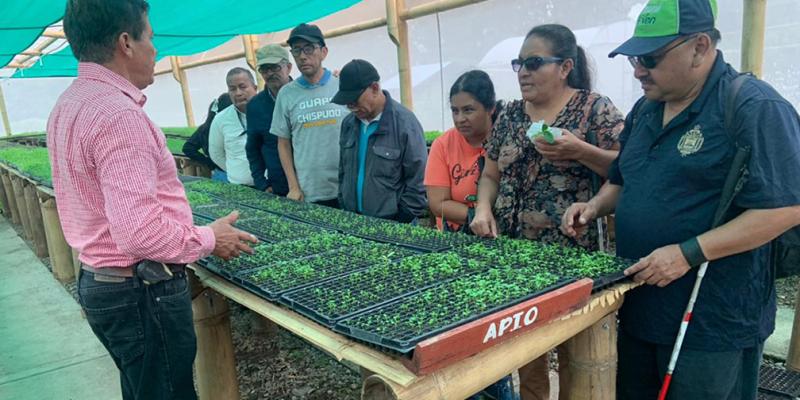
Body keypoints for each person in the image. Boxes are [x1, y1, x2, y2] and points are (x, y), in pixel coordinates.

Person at [560, 1, 800, 398]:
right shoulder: (645, 108)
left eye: (650, 58)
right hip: (642, 305)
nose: (638, 69)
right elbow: (623, 178)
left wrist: (688, 253)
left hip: (710, 320)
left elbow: (785, 207)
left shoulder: (754, 106)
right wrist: (596, 206)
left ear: (700, 47)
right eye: (635, 57)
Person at [48, 1, 257, 399]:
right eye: (151, 38)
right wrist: (210, 238)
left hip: (102, 281)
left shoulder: (68, 104)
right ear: (126, 43)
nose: (156, 50)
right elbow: (138, 233)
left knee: (144, 387)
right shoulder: (118, 116)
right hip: (140, 291)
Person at [470, 24, 625, 400]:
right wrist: (482, 207)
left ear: (565, 67)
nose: (523, 72)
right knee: (526, 352)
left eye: (534, 63)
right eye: (519, 63)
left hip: (571, 257)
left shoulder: (593, 109)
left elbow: (627, 170)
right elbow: (490, 174)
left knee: (576, 355)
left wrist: (582, 151)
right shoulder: (508, 115)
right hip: (511, 257)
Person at [332, 59, 427, 222]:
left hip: (394, 223)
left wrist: (401, 219)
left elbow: (419, 180)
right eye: (347, 103)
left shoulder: (405, 124)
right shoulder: (348, 124)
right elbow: (343, 171)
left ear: (375, 88)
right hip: (354, 220)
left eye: (354, 100)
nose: (351, 106)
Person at [271, 23, 346, 207]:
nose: (303, 56)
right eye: (296, 50)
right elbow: (283, 143)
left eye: (309, 49)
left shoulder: (341, 85)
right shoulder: (287, 94)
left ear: (324, 52)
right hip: (309, 191)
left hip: (346, 187)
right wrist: (293, 186)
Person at [425, 70, 500, 232]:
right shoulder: (443, 145)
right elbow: (438, 204)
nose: (460, 119)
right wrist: (477, 216)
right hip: (456, 234)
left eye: (468, 110)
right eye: (455, 111)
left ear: (491, 108)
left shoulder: (506, 141)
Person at [245, 44, 292, 195]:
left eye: (275, 67)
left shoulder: (303, 95)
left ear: (288, 67)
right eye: (264, 69)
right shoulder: (255, 105)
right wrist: (261, 183)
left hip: (310, 180)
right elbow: (253, 148)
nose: (270, 73)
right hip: (279, 184)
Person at [209, 67, 258, 186]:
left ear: (255, 88)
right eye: (232, 89)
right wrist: (235, 171)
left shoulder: (269, 111)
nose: (238, 93)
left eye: (243, 87)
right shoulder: (220, 119)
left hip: (273, 185)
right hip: (239, 186)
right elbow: (216, 153)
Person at [182, 92, 232, 182]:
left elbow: (188, 148)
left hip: (219, 173)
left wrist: (209, 162)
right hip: (232, 173)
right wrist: (209, 163)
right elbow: (187, 148)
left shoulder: (204, 128)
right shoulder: (228, 127)